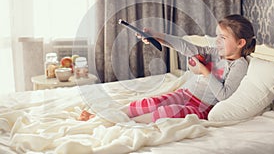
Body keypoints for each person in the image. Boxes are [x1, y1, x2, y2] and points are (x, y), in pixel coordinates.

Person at [78, 14, 256, 123]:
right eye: (217, 36)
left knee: (165, 113)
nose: (217, 41)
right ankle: (104, 117)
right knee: (149, 103)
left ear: (240, 43)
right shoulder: (215, 52)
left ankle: (123, 123)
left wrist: (205, 72)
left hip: (203, 106)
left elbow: (224, 95)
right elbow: (186, 47)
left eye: (222, 38)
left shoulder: (239, 65)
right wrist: (158, 36)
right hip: (186, 94)